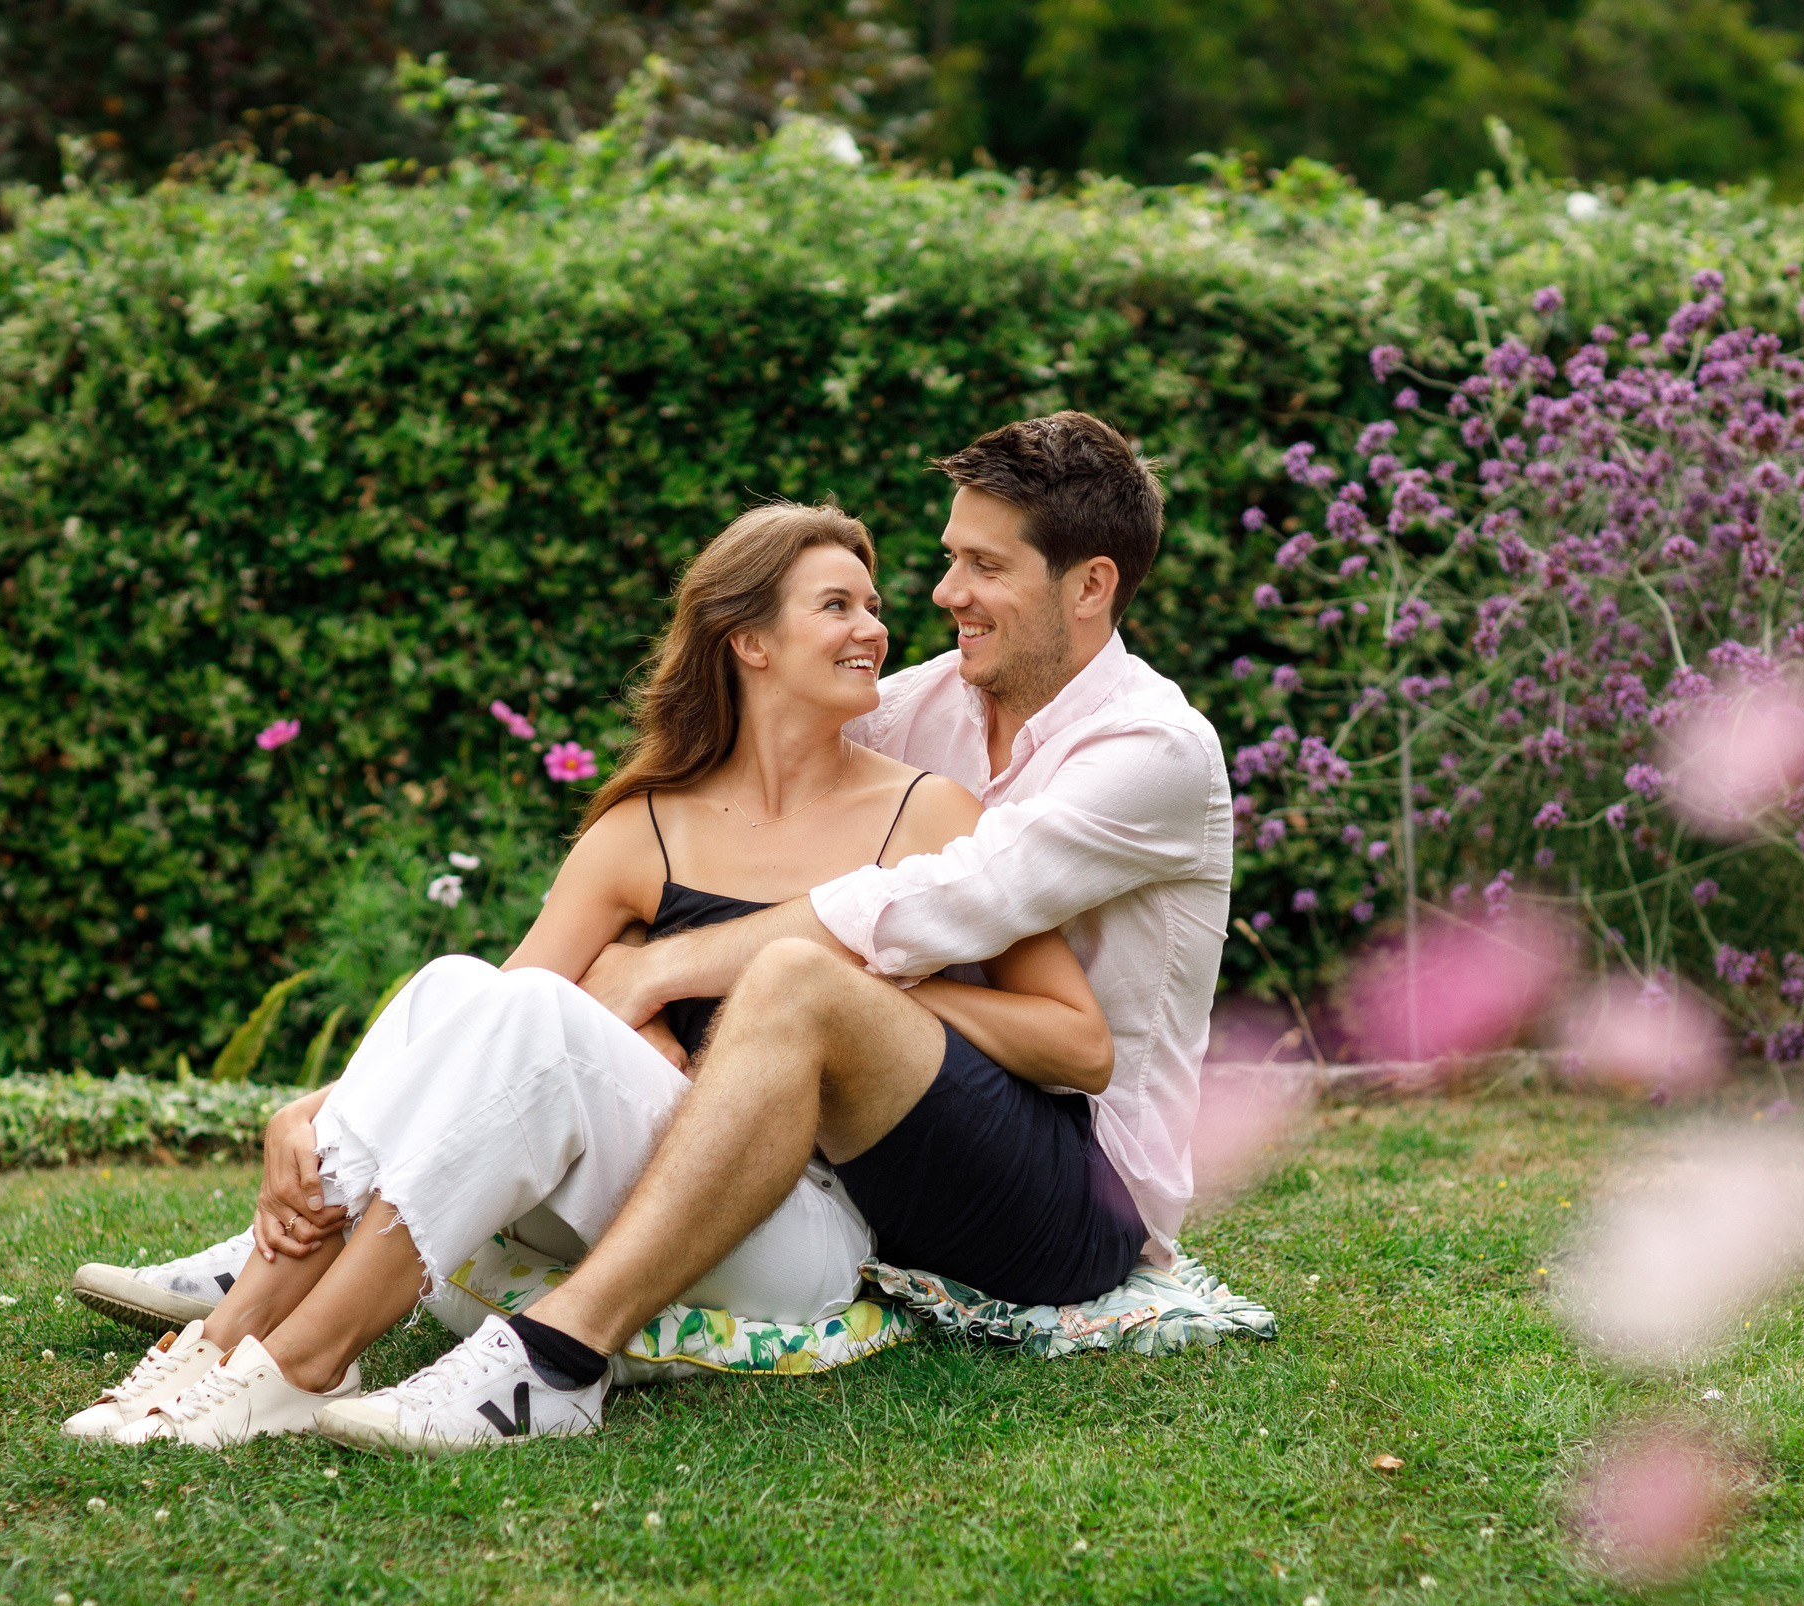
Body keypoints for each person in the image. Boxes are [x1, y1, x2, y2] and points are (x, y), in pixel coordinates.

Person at [68, 411, 1235, 1452]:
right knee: (465, 986)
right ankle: (269, 1278)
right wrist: (323, 1104)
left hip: (1072, 1183)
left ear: (1088, 586)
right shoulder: (920, 706)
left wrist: (676, 975)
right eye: (926, 569)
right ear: (750, 642)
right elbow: (769, 732)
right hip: (854, 1149)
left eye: (980, 567)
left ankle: (475, 1353)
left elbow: (945, 914)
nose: (927, 602)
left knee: (787, 975)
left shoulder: (1147, 754)